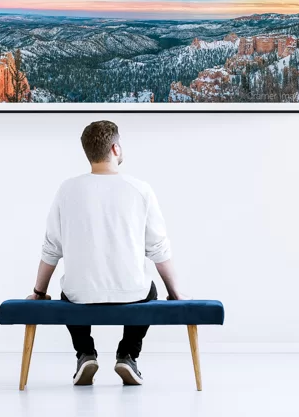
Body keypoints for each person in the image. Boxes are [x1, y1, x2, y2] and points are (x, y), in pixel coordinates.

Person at [26, 120, 188, 386]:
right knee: (152, 292)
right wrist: (175, 291)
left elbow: (51, 248)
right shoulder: (140, 189)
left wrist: (39, 291)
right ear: (115, 148)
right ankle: (128, 355)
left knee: (67, 289)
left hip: (80, 295)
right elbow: (158, 248)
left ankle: (85, 353)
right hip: (132, 294)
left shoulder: (67, 190)